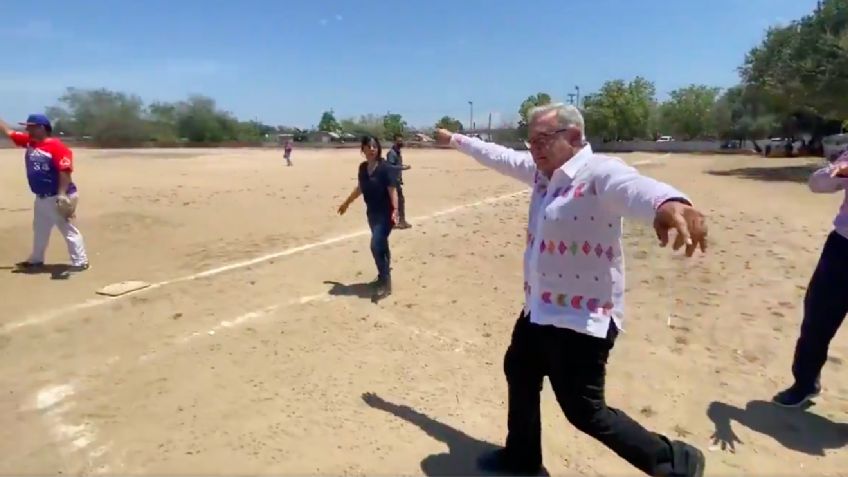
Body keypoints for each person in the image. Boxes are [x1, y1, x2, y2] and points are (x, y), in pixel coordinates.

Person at [434, 102, 708, 477]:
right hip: (540, 310)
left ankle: (673, 459)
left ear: (575, 137)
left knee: (584, 411)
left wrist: (668, 202)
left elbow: (633, 187)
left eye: (543, 139)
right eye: (530, 141)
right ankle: (523, 459)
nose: (534, 149)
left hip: (582, 318)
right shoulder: (540, 174)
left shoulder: (597, 173)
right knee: (520, 368)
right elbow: (497, 154)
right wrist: (456, 140)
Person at [773, 150, 848, 407]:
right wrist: (836, 171)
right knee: (817, 320)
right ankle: (804, 383)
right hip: (842, 248)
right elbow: (816, 185)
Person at [1, 114, 89, 273]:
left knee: (67, 228)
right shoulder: (30, 142)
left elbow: (65, 172)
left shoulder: (57, 146)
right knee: (40, 229)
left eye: (31, 126)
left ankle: (80, 261)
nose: (27, 129)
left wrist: (62, 195)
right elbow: (9, 132)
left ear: (42, 128)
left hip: (59, 196)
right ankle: (36, 259)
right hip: (41, 197)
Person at [337, 135, 400, 299]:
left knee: (375, 244)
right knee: (382, 246)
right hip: (372, 214)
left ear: (378, 149)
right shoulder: (363, 168)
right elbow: (360, 188)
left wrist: (395, 210)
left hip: (386, 214)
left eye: (374, 146)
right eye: (368, 146)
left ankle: (386, 283)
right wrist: (346, 203)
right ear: (363, 149)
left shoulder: (385, 168)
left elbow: (392, 191)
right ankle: (382, 276)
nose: (372, 149)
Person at [386, 133, 412, 229]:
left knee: (397, 201)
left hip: (396, 180)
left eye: (401, 140)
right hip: (392, 181)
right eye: (399, 140)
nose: (401, 142)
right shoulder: (391, 153)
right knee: (398, 201)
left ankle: (398, 221)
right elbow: (390, 166)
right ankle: (400, 221)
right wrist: (403, 167)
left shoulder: (397, 152)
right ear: (394, 141)